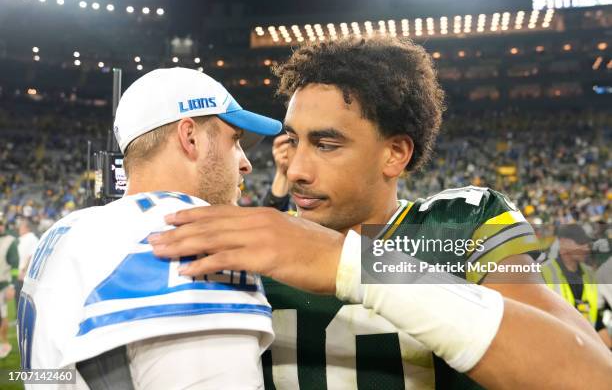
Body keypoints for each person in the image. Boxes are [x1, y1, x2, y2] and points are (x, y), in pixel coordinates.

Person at [151, 37, 612, 389]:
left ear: (395, 154)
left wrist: (349, 263)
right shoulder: (255, 244)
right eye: (292, 141)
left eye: (327, 144)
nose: (297, 170)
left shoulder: (459, 224)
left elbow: (590, 373)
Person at [18, 67, 281, 389]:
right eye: (236, 141)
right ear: (190, 137)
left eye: (324, 144)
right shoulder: (191, 240)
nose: (246, 163)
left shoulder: (64, 231)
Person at [542, 224, 611, 348]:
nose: (586, 248)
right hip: (557, 348)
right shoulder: (543, 273)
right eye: (580, 243)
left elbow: (596, 318)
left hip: (587, 348)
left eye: (587, 243)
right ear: (563, 243)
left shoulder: (589, 273)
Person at [0, 218, 18, 358]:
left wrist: (12, 286)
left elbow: (14, 266)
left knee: (3, 315)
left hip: (3, 284)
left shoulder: (9, 241)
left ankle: (4, 343)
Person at [16, 217, 38, 301]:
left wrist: (23, 271)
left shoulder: (32, 238)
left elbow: (31, 256)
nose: (19, 228)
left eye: (21, 226)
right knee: (17, 300)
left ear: (27, 228)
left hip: (23, 276)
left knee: (21, 301)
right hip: (17, 274)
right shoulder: (21, 239)